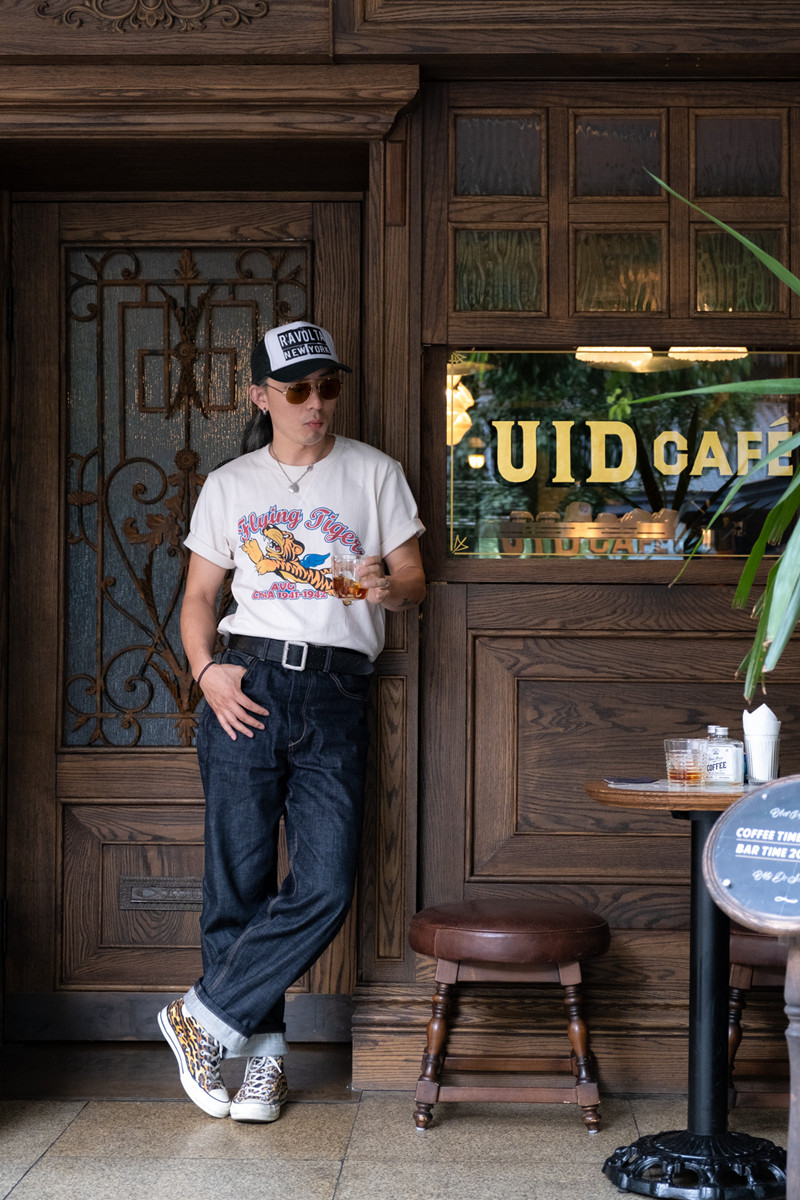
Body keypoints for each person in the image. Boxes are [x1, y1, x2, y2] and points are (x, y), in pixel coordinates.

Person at [158, 320, 425, 1123]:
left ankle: (201, 1019)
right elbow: (198, 597)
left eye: (327, 386)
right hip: (248, 683)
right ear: (261, 396)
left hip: (337, 691)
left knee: (325, 885)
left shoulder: (375, 473)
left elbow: (415, 579)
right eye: (298, 389)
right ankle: (262, 1059)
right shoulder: (230, 485)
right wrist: (205, 672)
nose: (316, 403)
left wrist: (387, 588)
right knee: (237, 883)